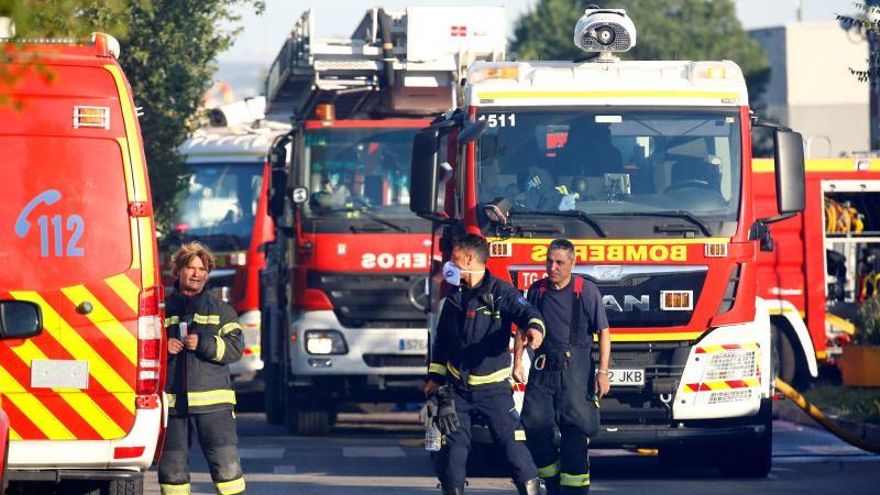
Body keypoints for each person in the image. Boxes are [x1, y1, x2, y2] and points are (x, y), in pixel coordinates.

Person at [423, 233, 546, 495]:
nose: (450, 263)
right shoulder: (454, 298)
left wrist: (535, 329)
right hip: (458, 390)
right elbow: (442, 343)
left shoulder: (502, 293)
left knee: (513, 445)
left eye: (454, 258)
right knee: (454, 449)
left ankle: (532, 489)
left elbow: (529, 314)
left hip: (494, 391)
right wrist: (434, 379)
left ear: (469, 259)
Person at [515, 239, 611, 495]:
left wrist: (602, 372)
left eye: (559, 262)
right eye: (549, 261)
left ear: (572, 262)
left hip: (576, 370)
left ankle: (574, 492)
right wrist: (517, 362)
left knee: (575, 433)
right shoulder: (537, 291)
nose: (552, 267)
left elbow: (604, 333)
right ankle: (554, 483)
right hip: (543, 368)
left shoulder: (586, 291)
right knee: (534, 427)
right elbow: (522, 328)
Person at [159, 241, 246, 495]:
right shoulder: (160, 310)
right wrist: (163, 346)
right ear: (178, 271)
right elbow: (142, 347)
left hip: (214, 408)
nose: (197, 273)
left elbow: (235, 348)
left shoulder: (222, 311)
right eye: (191, 268)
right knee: (172, 474)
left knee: (228, 471)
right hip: (174, 407)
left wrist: (205, 343)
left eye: (202, 269)